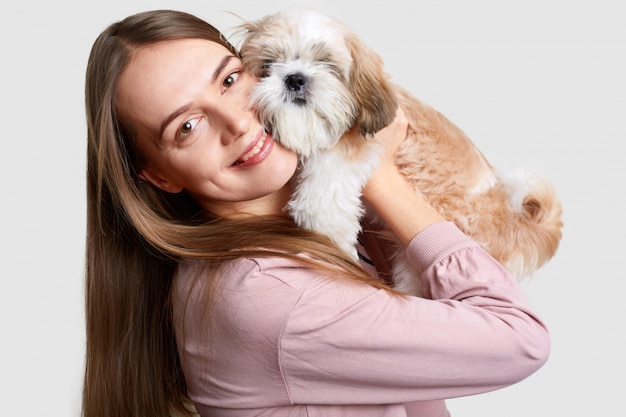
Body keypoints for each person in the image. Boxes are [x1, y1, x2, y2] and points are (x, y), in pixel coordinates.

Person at [82, 9, 550, 417]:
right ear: (161, 176)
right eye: (187, 126)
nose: (240, 122)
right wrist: (381, 176)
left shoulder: (305, 235)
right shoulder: (273, 296)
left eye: (229, 80)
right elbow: (519, 340)